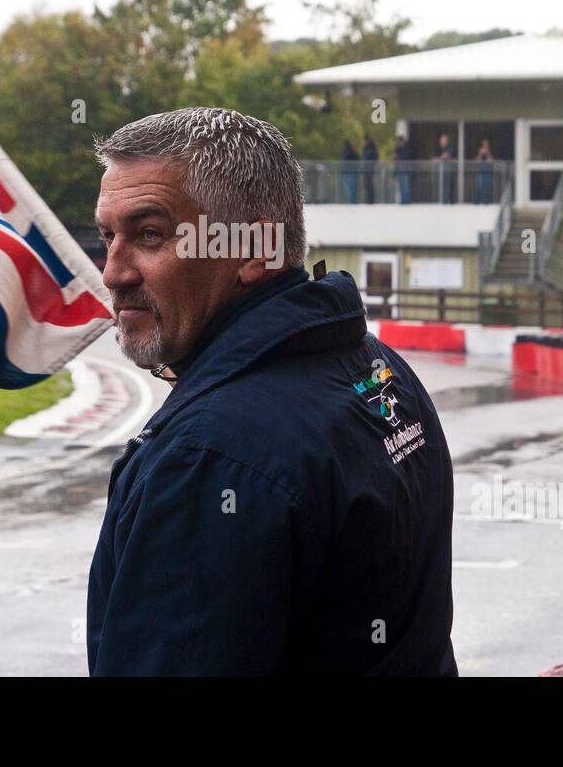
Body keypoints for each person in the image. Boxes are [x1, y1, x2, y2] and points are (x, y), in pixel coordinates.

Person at [89, 107, 457, 676]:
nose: (114, 272)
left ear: (255, 247)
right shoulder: (379, 369)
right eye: (108, 236)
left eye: (150, 235)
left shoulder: (208, 457)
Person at [434, 131, 457, 204]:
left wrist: (445, 157)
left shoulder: (451, 147)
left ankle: (451, 202)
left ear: (447, 141)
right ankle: (442, 201)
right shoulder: (437, 148)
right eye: (442, 140)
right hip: (440, 172)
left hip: (449, 171)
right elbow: (435, 159)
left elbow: (454, 158)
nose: (443, 141)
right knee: (441, 186)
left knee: (450, 186)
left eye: (444, 140)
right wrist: (442, 157)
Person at [394, 134, 414, 204]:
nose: (398, 143)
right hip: (399, 170)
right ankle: (403, 201)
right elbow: (395, 160)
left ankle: (407, 201)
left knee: (406, 186)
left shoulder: (407, 148)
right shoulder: (397, 149)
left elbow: (407, 157)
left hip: (406, 170)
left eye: (399, 141)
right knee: (401, 187)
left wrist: (399, 156)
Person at [473, 138, 494, 204]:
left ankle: (488, 202)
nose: (485, 145)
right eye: (484, 144)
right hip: (480, 172)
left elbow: (491, 161)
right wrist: (480, 154)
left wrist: (487, 153)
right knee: (479, 187)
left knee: (488, 188)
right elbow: (476, 161)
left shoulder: (490, 151)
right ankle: (477, 202)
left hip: (488, 173)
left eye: (486, 144)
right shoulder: (480, 151)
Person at [340, 137, 359, 204]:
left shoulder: (349, 152)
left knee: (351, 188)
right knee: (350, 188)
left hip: (350, 171)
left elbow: (356, 160)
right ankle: (351, 201)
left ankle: (352, 202)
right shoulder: (347, 151)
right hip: (348, 172)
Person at [361, 135, 378, 203]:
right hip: (365, 169)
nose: (363, 142)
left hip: (370, 170)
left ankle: (371, 201)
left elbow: (375, 158)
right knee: (366, 185)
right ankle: (367, 200)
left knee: (370, 185)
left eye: (364, 141)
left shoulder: (372, 149)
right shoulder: (365, 149)